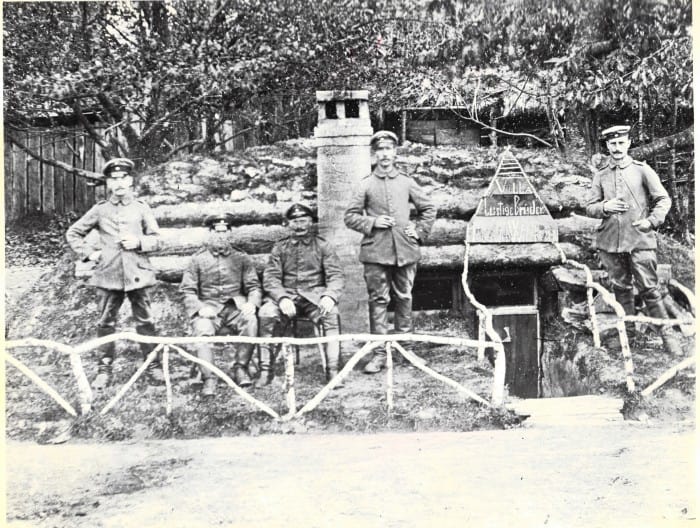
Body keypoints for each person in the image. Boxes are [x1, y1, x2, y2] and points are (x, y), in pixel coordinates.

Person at [66, 158, 164, 390]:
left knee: (145, 321)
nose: (119, 183)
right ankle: (104, 367)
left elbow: (158, 239)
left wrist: (138, 241)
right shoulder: (100, 210)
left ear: (130, 181)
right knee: (105, 322)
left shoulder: (141, 208)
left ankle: (153, 364)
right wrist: (89, 254)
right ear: (108, 183)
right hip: (108, 275)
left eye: (123, 178)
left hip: (137, 273)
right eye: (114, 179)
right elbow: (73, 233)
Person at [344, 130, 436, 373]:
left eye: (389, 149)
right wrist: (372, 222)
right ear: (374, 154)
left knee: (405, 298)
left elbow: (428, 208)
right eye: (380, 150)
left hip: (405, 251)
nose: (385, 154)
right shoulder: (365, 184)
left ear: (395, 153)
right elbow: (350, 217)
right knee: (378, 300)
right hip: (375, 253)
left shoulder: (406, 182)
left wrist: (419, 231)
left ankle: (405, 348)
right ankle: (379, 353)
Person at [585, 125, 682, 355]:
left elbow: (663, 200)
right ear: (607, 146)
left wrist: (651, 221)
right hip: (610, 242)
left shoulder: (642, 170)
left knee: (649, 288)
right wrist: (605, 207)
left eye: (621, 143)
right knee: (621, 289)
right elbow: (590, 207)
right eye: (612, 144)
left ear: (628, 143)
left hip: (640, 239)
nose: (617, 148)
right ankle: (627, 337)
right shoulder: (601, 175)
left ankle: (669, 339)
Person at [257, 203, 345, 388]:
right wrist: (281, 298)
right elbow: (271, 277)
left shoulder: (323, 246)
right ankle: (266, 370)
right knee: (266, 313)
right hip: (287, 298)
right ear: (288, 224)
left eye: (303, 221)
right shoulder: (280, 248)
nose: (299, 226)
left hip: (315, 298)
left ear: (311, 222)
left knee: (331, 315)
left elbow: (335, 275)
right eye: (295, 221)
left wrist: (329, 296)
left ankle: (333, 371)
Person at [179, 213, 261, 396]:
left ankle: (240, 367)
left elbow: (254, 286)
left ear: (230, 233)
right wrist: (200, 308)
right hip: (208, 310)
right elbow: (187, 290)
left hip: (235, 308)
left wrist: (252, 303)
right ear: (210, 233)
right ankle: (209, 377)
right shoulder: (197, 260)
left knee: (251, 320)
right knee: (202, 327)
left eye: (225, 232)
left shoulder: (241, 258)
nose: (221, 236)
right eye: (217, 232)